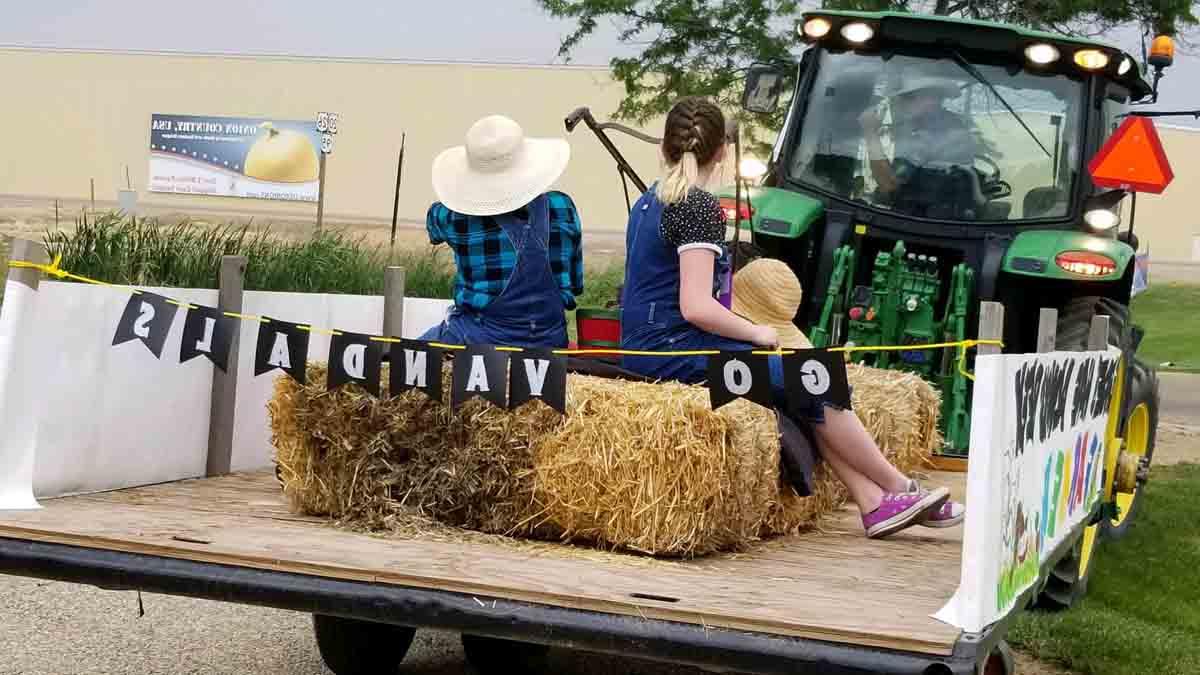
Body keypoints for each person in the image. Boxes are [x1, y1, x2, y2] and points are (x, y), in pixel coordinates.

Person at [619, 96, 962, 538]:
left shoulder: (648, 203)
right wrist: (759, 332)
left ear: (664, 147)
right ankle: (900, 485)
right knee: (816, 376)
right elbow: (696, 306)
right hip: (678, 352)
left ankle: (874, 503)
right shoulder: (699, 206)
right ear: (722, 150)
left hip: (645, 347)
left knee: (797, 388)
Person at [420, 114, 583, 349]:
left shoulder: (456, 219)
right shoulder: (563, 206)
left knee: (405, 358)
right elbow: (575, 285)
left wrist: (463, 197)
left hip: (479, 340)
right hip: (550, 341)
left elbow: (433, 225)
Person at [858, 75, 982, 218]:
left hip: (928, 223)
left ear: (931, 98)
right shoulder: (944, 124)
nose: (899, 103)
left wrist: (870, 133)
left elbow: (889, 186)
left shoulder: (934, 134)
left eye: (907, 97)